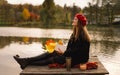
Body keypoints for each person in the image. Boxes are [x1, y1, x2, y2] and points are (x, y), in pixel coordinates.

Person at [13, 13, 91, 70]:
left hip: (78, 59)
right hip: (71, 55)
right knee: (51, 52)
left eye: (75, 19)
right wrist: (61, 49)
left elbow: (75, 51)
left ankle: (27, 63)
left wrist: (63, 52)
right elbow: (70, 48)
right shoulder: (74, 34)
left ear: (79, 23)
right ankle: (26, 60)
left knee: (52, 59)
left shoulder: (82, 36)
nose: (73, 20)